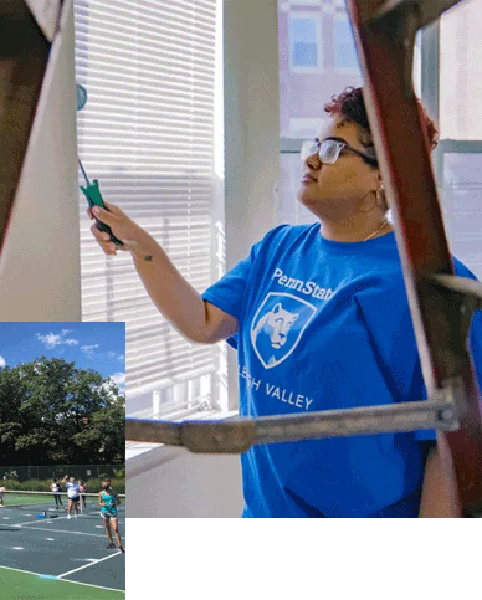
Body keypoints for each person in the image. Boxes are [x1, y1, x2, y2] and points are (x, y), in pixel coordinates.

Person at [87, 86, 482, 519]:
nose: (312, 158)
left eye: (334, 149)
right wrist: (141, 245)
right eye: (315, 145)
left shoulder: (429, 286)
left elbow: (451, 446)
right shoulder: (280, 247)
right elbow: (201, 322)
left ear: (383, 176)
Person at [99, 479, 124, 552]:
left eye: (105, 485)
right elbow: (99, 503)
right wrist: (104, 504)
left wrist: (114, 504)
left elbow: (119, 501)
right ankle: (111, 542)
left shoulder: (114, 493)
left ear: (108, 485)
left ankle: (120, 545)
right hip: (105, 511)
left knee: (115, 528)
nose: (104, 486)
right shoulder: (101, 493)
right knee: (107, 527)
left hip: (113, 511)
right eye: (103, 485)